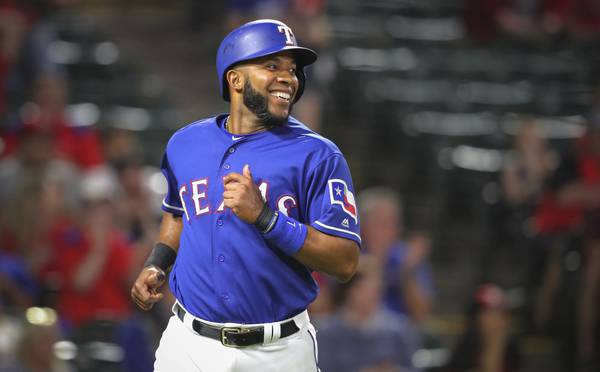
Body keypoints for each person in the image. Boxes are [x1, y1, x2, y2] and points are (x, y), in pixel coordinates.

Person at [130, 19, 361, 372]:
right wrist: (157, 263)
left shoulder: (318, 155)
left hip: (278, 352)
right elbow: (177, 213)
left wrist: (265, 217)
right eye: (272, 66)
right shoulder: (184, 144)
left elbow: (344, 262)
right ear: (235, 79)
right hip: (188, 345)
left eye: (293, 70)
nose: (289, 78)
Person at [359, 186, 434, 323]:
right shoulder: (351, 252)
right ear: (362, 224)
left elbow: (421, 314)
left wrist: (407, 271)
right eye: (380, 222)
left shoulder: (407, 256)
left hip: (398, 335)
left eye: (393, 223)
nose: (389, 230)